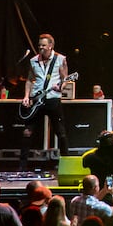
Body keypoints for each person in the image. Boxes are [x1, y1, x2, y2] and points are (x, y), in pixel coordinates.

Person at [21, 33, 72, 175]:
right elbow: (30, 79)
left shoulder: (60, 59)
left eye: (43, 45)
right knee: (27, 131)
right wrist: (26, 96)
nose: (41, 48)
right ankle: (22, 166)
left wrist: (60, 87)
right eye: (39, 45)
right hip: (37, 99)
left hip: (52, 99)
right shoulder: (33, 61)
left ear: (50, 46)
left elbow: (65, 79)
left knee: (60, 132)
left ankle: (66, 164)